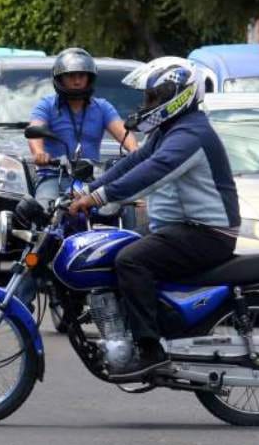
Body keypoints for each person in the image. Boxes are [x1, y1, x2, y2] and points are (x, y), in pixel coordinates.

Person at [69, 58, 239, 378]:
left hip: (208, 233)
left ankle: (150, 351)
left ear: (176, 96)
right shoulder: (170, 129)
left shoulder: (192, 134)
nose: (147, 105)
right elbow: (134, 162)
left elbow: (152, 173)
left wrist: (98, 198)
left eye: (152, 98)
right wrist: (86, 190)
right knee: (120, 251)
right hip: (183, 229)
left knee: (131, 261)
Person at [27, 48, 135, 205]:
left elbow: (123, 132)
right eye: (71, 76)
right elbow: (36, 130)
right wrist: (39, 153)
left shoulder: (103, 107)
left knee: (122, 208)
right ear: (60, 78)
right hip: (54, 176)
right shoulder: (47, 105)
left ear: (89, 78)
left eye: (81, 76)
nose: (77, 81)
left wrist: (135, 152)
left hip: (92, 179)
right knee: (45, 208)